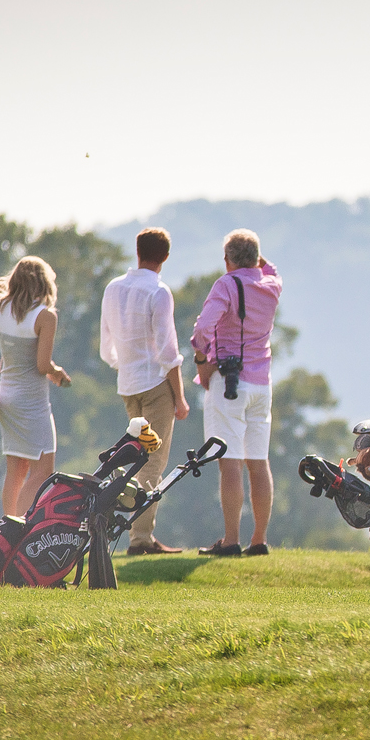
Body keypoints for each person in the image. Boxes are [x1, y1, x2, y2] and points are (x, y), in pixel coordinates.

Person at [191, 229, 283, 556]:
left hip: (229, 383)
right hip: (262, 385)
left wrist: (201, 359)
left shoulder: (226, 284)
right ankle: (259, 540)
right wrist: (255, 258)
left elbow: (203, 328)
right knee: (258, 462)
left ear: (227, 260)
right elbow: (270, 268)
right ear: (256, 258)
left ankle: (231, 540)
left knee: (229, 463)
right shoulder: (272, 285)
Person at [99, 227, 190, 554]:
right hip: (155, 385)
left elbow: (106, 348)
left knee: (135, 456)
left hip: (128, 385)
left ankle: (133, 529)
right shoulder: (159, 292)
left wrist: (126, 366)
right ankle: (140, 538)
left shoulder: (113, 288)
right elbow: (168, 351)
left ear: (138, 252)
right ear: (165, 256)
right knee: (152, 462)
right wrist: (180, 397)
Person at [0, 256, 71, 520]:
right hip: (32, 403)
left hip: (6, 399)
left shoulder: (2, 306)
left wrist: (13, 280)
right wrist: (57, 372)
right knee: (43, 471)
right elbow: (42, 365)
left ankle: (7, 526)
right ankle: (20, 526)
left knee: (16, 470)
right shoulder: (45, 316)